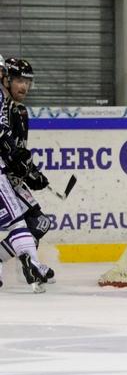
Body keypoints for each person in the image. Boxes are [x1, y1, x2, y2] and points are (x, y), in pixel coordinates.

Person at [0, 57, 52, 292]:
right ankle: (31, 265)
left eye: (27, 82)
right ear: (7, 80)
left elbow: (19, 150)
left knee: (36, 223)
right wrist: (23, 169)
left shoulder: (19, 111)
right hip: (5, 176)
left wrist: (31, 172)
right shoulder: (4, 106)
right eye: (19, 81)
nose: (24, 87)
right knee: (28, 223)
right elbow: (8, 148)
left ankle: (31, 264)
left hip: (10, 176)